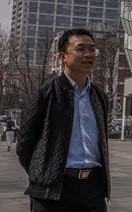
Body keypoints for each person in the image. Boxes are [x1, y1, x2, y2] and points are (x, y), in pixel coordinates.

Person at [16, 28, 111, 212]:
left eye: (92, 49)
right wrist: (44, 173)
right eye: (81, 49)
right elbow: (24, 146)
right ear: (63, 57)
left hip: (93, 190)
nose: (88, 54)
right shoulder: (44, 94)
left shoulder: (99, 96)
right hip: (54, 192)